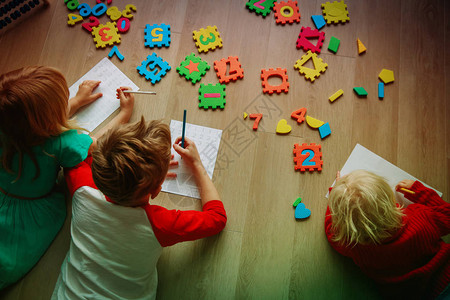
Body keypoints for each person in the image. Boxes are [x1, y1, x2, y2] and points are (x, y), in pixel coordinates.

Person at [51, 118, 227, 299]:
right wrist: (197, 165)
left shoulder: (83, 191)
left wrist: (146, 174)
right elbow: (217, 218)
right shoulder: (159, 224)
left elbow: (75, 149)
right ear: (157, 189)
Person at [0, 66, 134, 289]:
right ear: (49, 119)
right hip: (28, 214)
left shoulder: (8, 127)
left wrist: (76, 102)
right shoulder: (61, 143)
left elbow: (37, 123)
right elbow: (95, 145)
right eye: (64, 101)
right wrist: (124, 114)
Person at [325, 170, 450, 299]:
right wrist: (419, 192)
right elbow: (447, 216)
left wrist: (334, 194)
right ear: (390, 198)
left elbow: (331, 232)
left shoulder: (356, 246)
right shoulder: (421, 217)